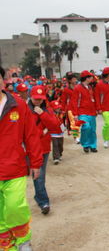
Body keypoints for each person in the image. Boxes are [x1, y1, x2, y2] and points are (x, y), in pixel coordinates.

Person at [0, 66, 43, 251]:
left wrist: (36, 163)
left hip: (14, 167)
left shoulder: (17, 104)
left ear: (3, 80)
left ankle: (23, 240)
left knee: (15, 207)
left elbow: (31, 136)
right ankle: (6, 244)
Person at [28, 85, 60, 215]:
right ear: (31, 97)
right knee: (38, 174)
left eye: (40, 99)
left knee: (40, 175)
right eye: (36, 99)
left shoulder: (47, 109)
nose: (38, 101)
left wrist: (43, 115)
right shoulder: (24, 109)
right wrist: (42, 131)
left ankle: (40, 197)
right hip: (31, 148)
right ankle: (43, 201)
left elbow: (55, 126)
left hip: (44, 147)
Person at [69, 70, 98, 153]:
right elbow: (74, 101)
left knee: (92, 130)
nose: (92, 78)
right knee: (86, 127)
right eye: (90, 77)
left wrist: (95, 110)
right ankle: (85, 144)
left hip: (91, 112)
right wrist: (75, 114)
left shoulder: (90, 87)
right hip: (82, 112)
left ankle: (93, 145)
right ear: (86, 78)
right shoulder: (78, 88)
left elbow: (93, 100)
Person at [49, 100, 65, 165]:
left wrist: (64, 128)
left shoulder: (61, 114)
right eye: (56, 108)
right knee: (55, 145)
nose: (58, 109)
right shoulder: (50, 115)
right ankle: (56, 158)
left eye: (58, 107)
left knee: (60, 145)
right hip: (53, 133)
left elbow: (62, 122)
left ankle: (60, 154)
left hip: (60, 132)